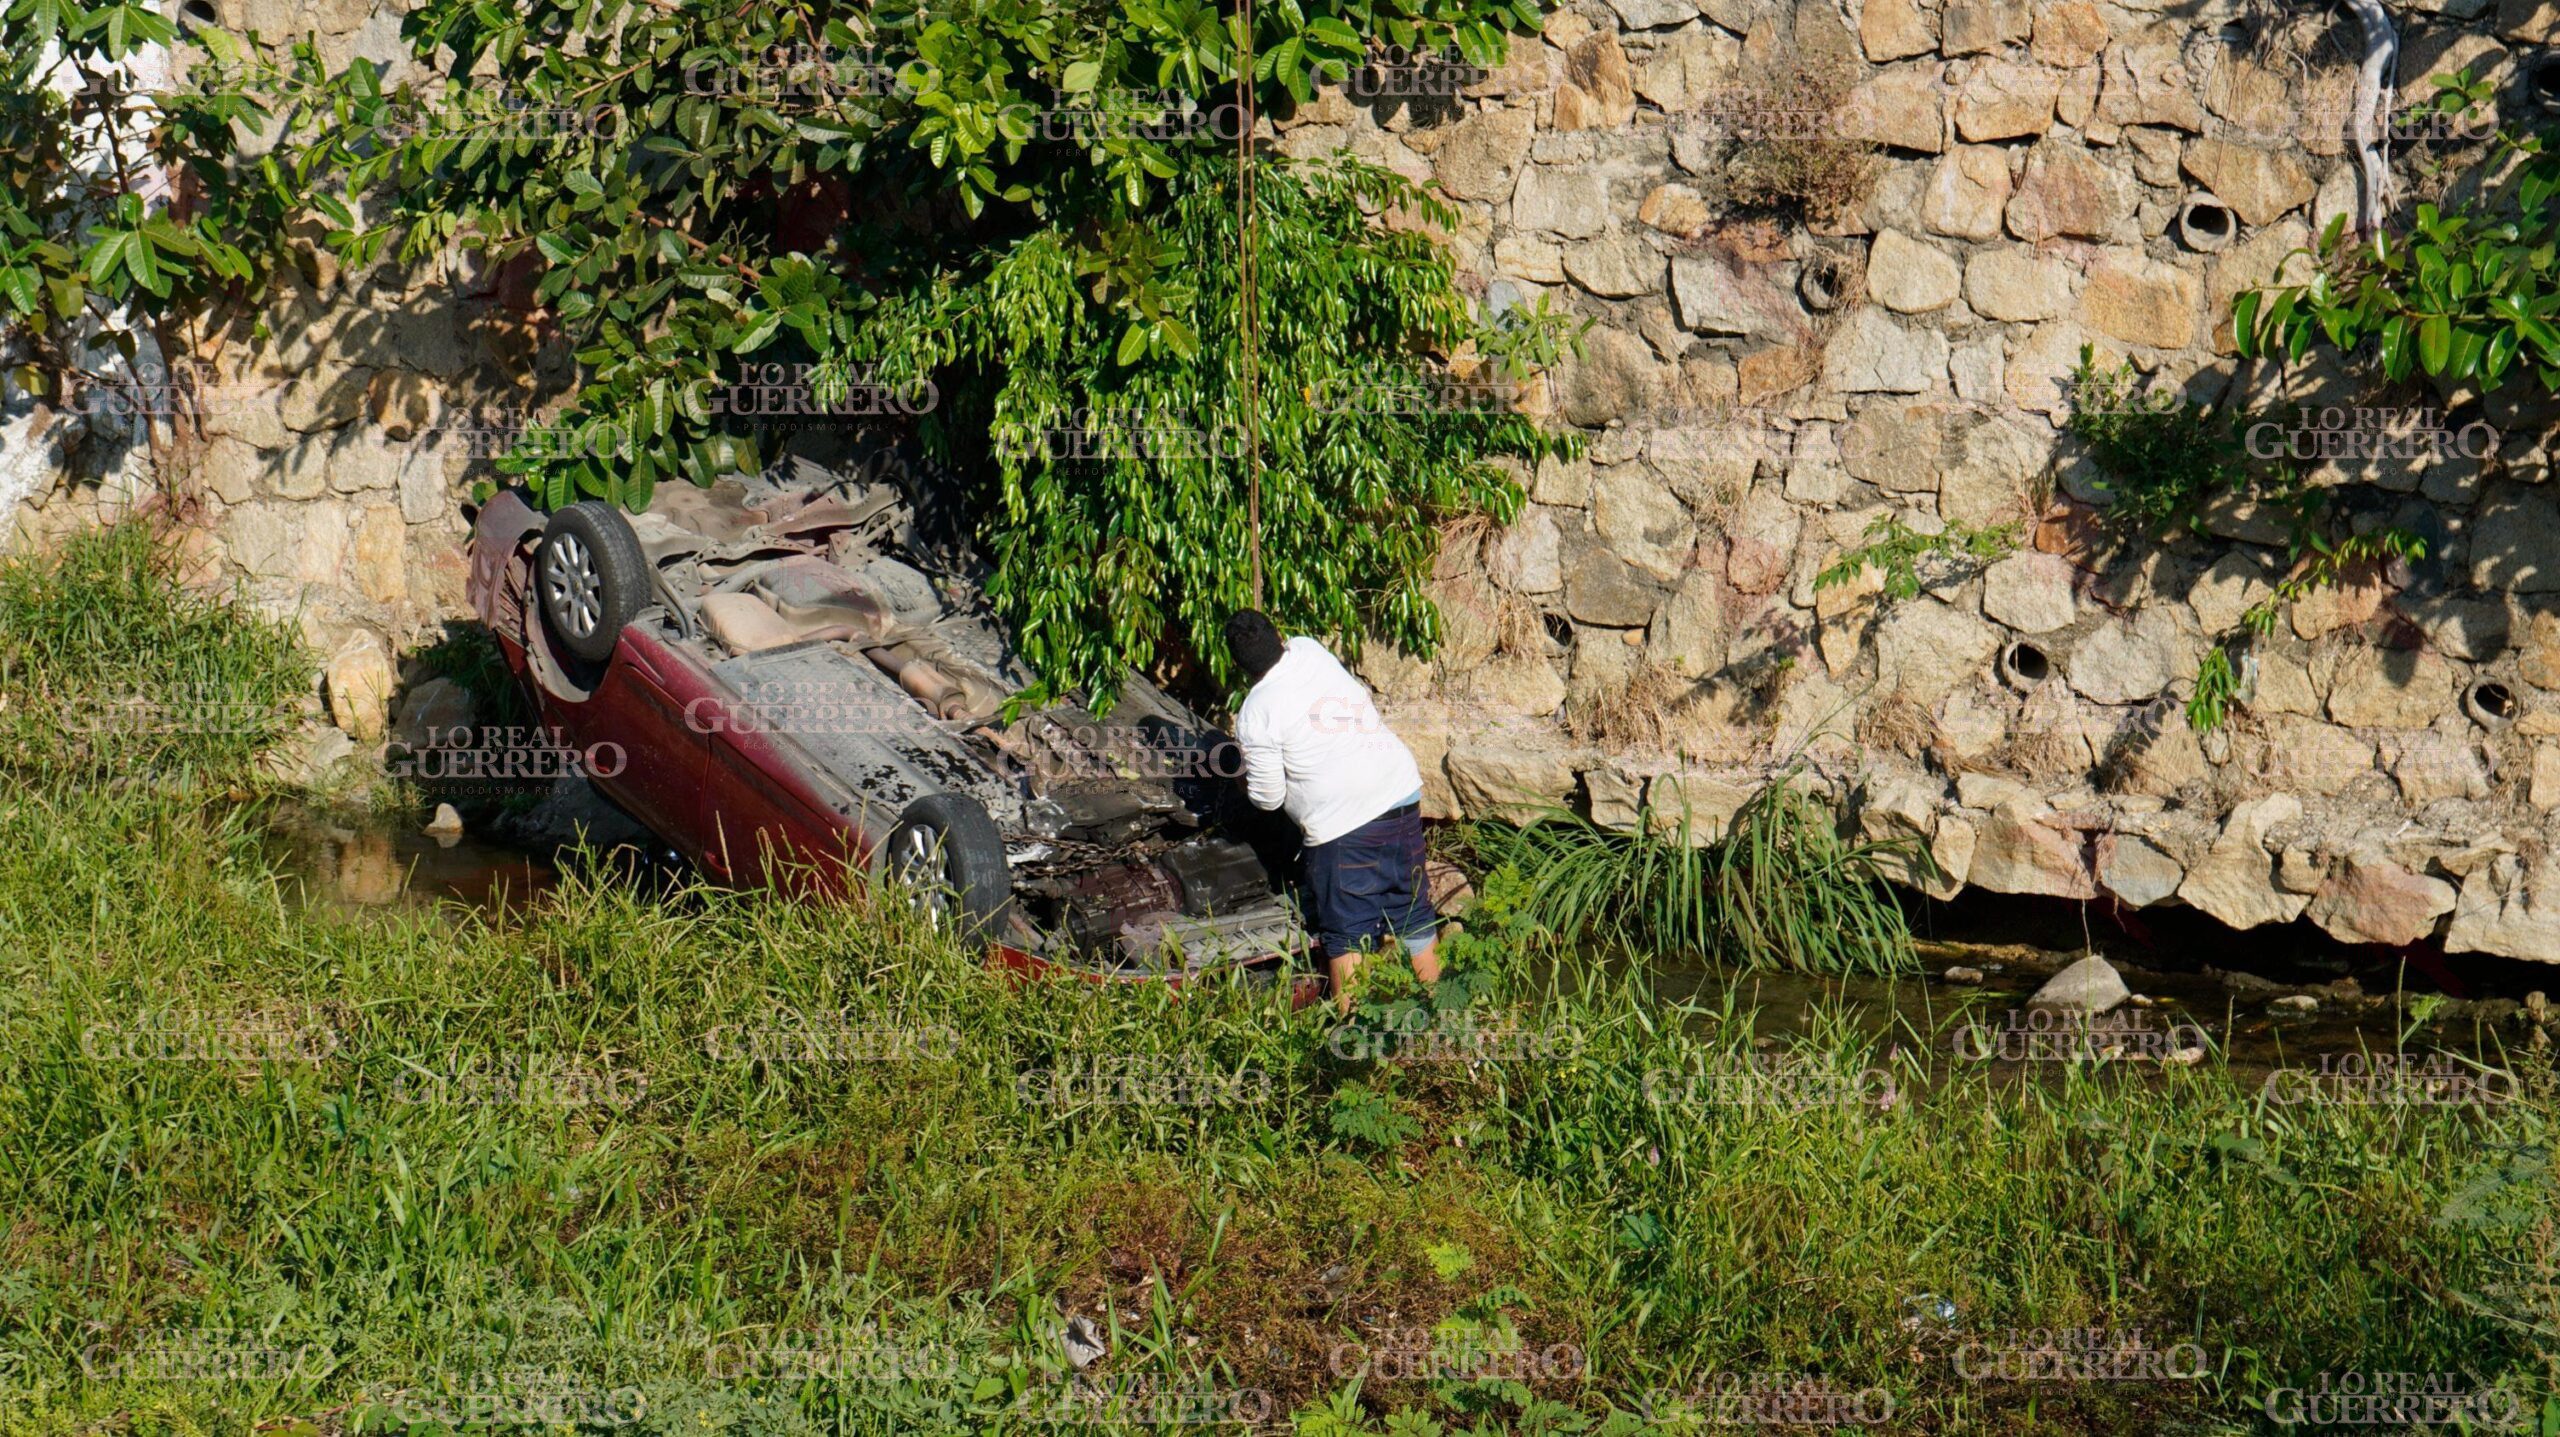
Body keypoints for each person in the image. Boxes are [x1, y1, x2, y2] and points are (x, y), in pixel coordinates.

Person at [1225, 609, 1439, 1007]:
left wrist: (1242, 775)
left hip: (1343, 826)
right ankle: (1439, 1010)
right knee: (1413, 912)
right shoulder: (1309, 650)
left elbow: (1268, 798)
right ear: (1280, 635)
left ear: (1238, 667)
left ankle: (1356, 1034)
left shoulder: (1256, 711)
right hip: (1400, 793)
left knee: (1347, 934)